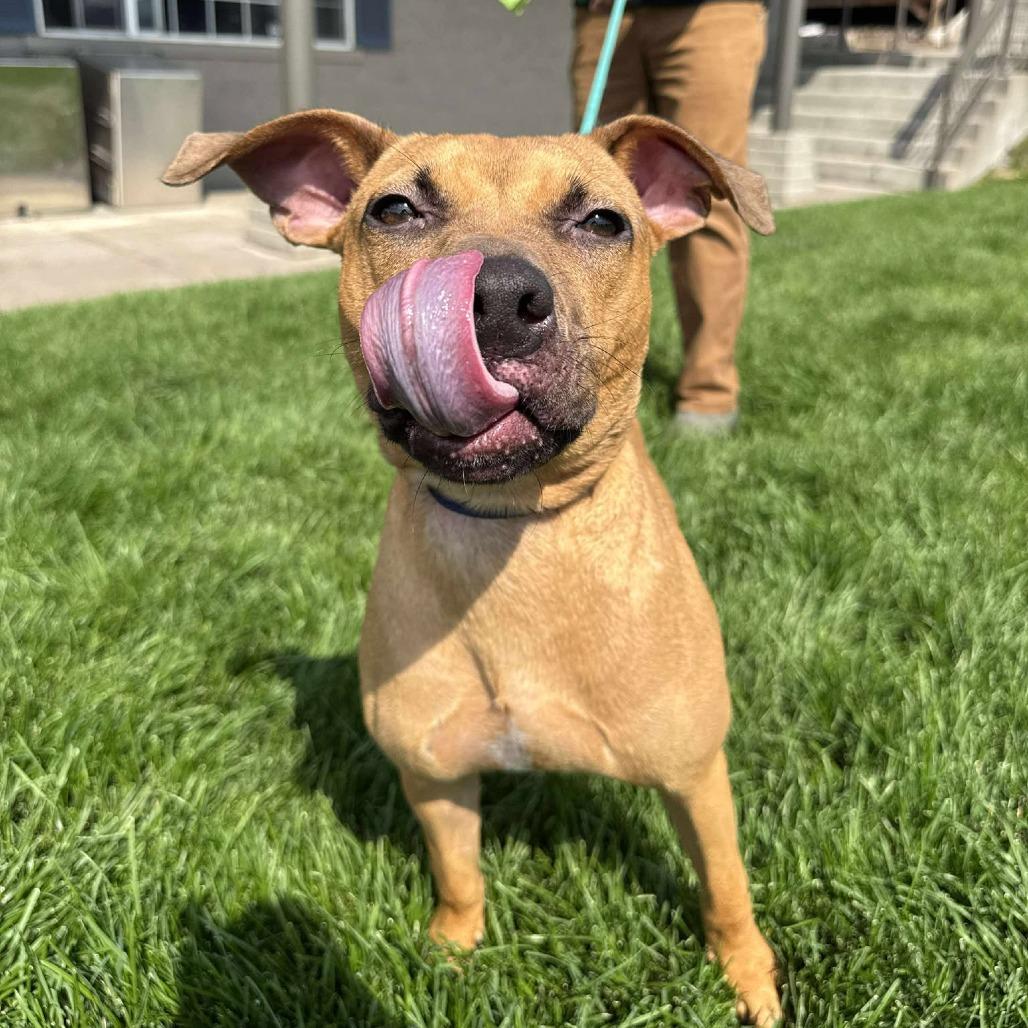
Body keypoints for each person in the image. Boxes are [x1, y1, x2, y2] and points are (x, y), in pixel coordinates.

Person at [572, 0, 767, 435]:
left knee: (703, 202)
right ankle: (582, 385)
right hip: (605, 16)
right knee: (583, 212)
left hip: (708, 12)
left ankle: (708, 392)